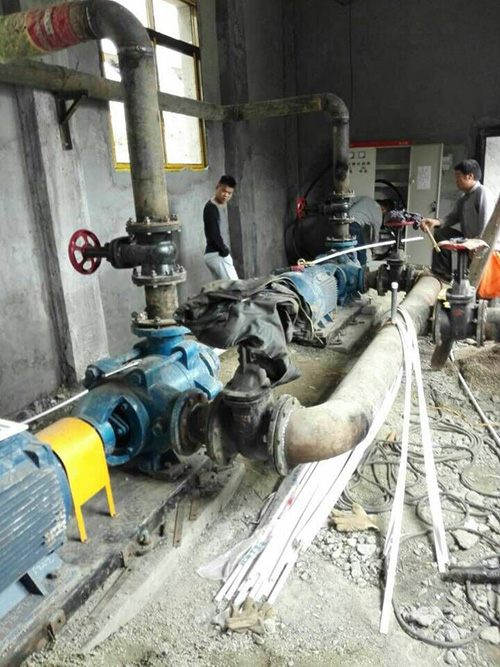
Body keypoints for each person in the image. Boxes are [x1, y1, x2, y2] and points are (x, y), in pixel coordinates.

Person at [421, 159, 495, 281]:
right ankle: (442, 274)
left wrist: (477, 245)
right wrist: (436, 222)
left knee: (474, 282)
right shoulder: (463, 198)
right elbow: (453, 217)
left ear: (470, 176)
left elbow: (486, 225)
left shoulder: (482, 193)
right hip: (468, 239)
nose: (456, 181)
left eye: (458, 177)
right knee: (441, 233)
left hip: (482, 243)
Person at [203, 175, 239, 281]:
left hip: (216, 254)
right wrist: (224, 251)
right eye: (224, 191)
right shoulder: (211, 208)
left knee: (223, 289)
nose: (226, 195)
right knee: (235, 288)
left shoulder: (216, 206)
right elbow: (213, 234)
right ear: (217, 187)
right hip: (217, 254)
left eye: (229, 193)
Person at [348, 196, 384, 265]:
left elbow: (350, 201)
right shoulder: (379, 213)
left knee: (346, 249)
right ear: (385, 208)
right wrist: (374, 250)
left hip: (344, 221)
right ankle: (362, 270)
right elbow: (376, 236)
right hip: (355, 224)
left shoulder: (366, 198)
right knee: (361, 251)